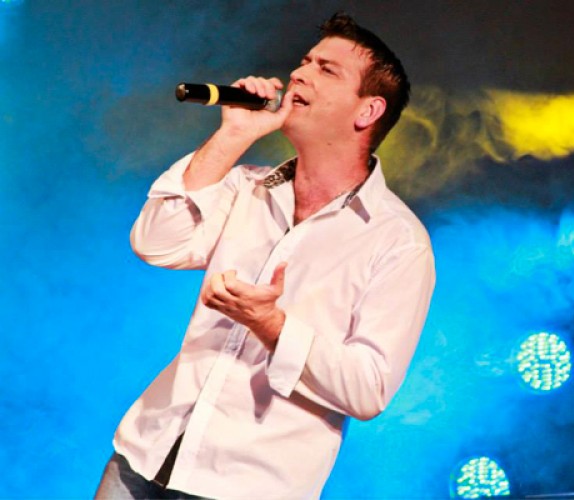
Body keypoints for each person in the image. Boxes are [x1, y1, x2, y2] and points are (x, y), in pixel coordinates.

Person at [95, 12, 435, 499]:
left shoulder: (396, 240)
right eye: (305, 62)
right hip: (146, 453)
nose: (299, 73)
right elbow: (156, 242)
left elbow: (369, 389)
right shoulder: (245, 187)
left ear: (367, 111)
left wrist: (272, 325)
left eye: (326, 69)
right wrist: (234, 134)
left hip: (248, 484)